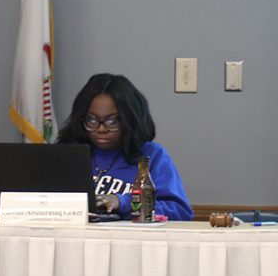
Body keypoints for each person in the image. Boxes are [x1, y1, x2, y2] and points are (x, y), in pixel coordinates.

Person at [57, 73, 193, 220]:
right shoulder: (68, 153)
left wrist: (123, 202)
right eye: (92, 120)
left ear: (129, 120)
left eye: (112, 121)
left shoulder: (151, 155)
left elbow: (180, 211)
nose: (101, 129)